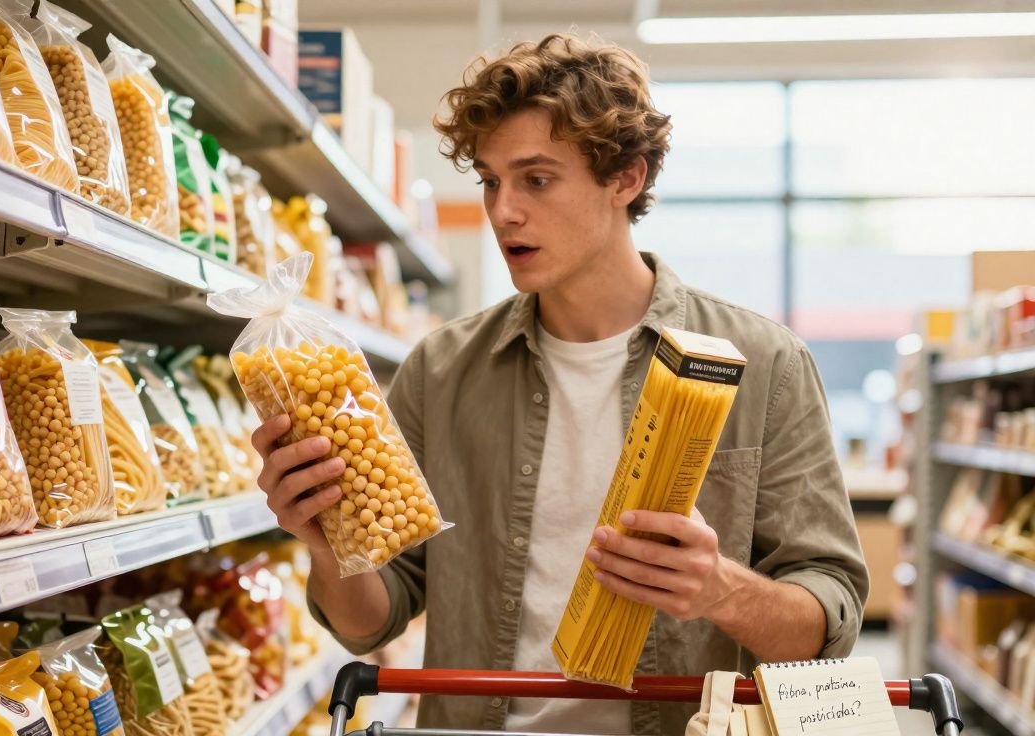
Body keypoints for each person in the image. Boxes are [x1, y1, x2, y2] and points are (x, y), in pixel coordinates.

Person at [249, 34, 868, 736]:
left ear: (625, 179)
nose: (502, 210)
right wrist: (326, 542)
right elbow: (371, 623)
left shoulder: (765, 364)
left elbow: (829, 624)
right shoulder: (441, 370)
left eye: (536, 179)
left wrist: (720, 589)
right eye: (489, 180)